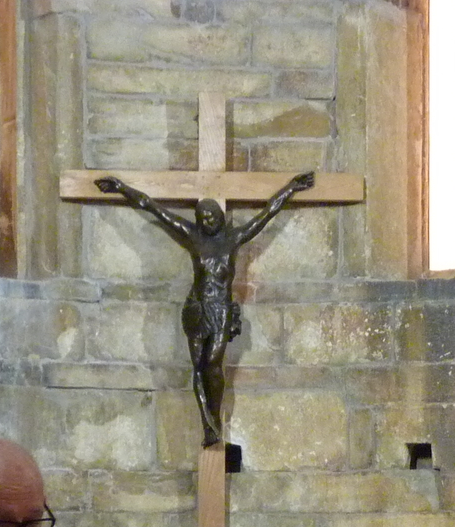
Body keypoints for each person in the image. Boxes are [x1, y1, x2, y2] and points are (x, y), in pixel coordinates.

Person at [91, 172, 315, 445]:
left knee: (213, 363)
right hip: (197, 308)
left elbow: (267, 213)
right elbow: (153, 207)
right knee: (198, 366)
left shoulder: (233, 238)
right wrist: (121, 188)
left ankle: (215, 416)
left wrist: (291, 188)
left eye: (212, 217)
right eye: (203, 218)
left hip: (220, 310)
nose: (208, 222)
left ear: (220, 216)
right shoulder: (193, 236)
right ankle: (207, 424)